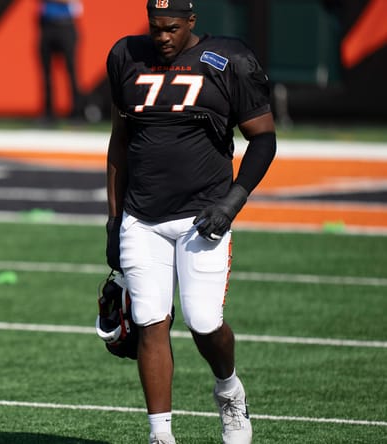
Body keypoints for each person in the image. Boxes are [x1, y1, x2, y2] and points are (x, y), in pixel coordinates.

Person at [104, 1, 277, 443]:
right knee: (149, 321)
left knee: (203, 322)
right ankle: (160, 435)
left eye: (171, 28)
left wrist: (232, 201)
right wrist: (113, 218)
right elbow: (119, 144)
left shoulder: (228, 60)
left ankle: (228, 389)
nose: (162, 37)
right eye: (155, 28)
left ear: (191, 22)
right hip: (141, 218)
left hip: (203, 216)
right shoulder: (126, 55)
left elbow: (263, 139)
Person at [38, 0, 83, 124]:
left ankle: (77, 112)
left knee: (72, 71)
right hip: (47, 26)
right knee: (46, 72)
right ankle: (48, 113)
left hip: (66, 26)